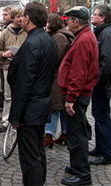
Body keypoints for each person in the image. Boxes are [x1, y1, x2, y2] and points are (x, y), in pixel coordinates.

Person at [8, 1, 58, 185]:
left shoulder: (32, 43)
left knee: (30, 158)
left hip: (31, 107)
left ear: (27, 19)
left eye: (23, 17)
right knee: (37, 153)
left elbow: (24, 83)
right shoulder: (48, 41)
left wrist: (15, 116)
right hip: (41, 104)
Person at [58, 6, 99, 185]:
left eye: (68, 19)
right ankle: (77, 166)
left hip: (77, 94)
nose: (66, 22)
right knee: (76, 132)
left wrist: (71, 98)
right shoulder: (84, 36)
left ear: (76, 22)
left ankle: (82, 173)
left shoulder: (83, 40)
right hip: (78, 93)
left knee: (76, 135)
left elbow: (79, 73)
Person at [89, 5, 111, 165]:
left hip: (102, 83)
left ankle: (106, 153)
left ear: (102, 18)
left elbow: (109, 62)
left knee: (102, 117)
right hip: (100, 82)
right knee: (99, 115)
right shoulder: (102, 32)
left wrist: (97, 78)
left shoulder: (106, 34)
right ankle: (100, 148)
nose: (92, 17)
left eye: (95, 14)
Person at [43, 13, 74, 148]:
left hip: (58, 76)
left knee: (55, 107)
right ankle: (65, 133)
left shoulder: (60, 37)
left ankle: (49, 134)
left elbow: (56, 57)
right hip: (60, 75)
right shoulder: (61, 35)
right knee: (60, 107)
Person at [0, 6, 27, 133]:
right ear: (13, 18)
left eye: (22, 16)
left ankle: (19, 119)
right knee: (8, 96)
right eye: (19, 16)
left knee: (21, 94)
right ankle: (6, 121)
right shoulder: (5, 33)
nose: (21, 19)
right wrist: (4, 54)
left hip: (23, 68)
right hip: (8, 66)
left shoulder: (26, 32)